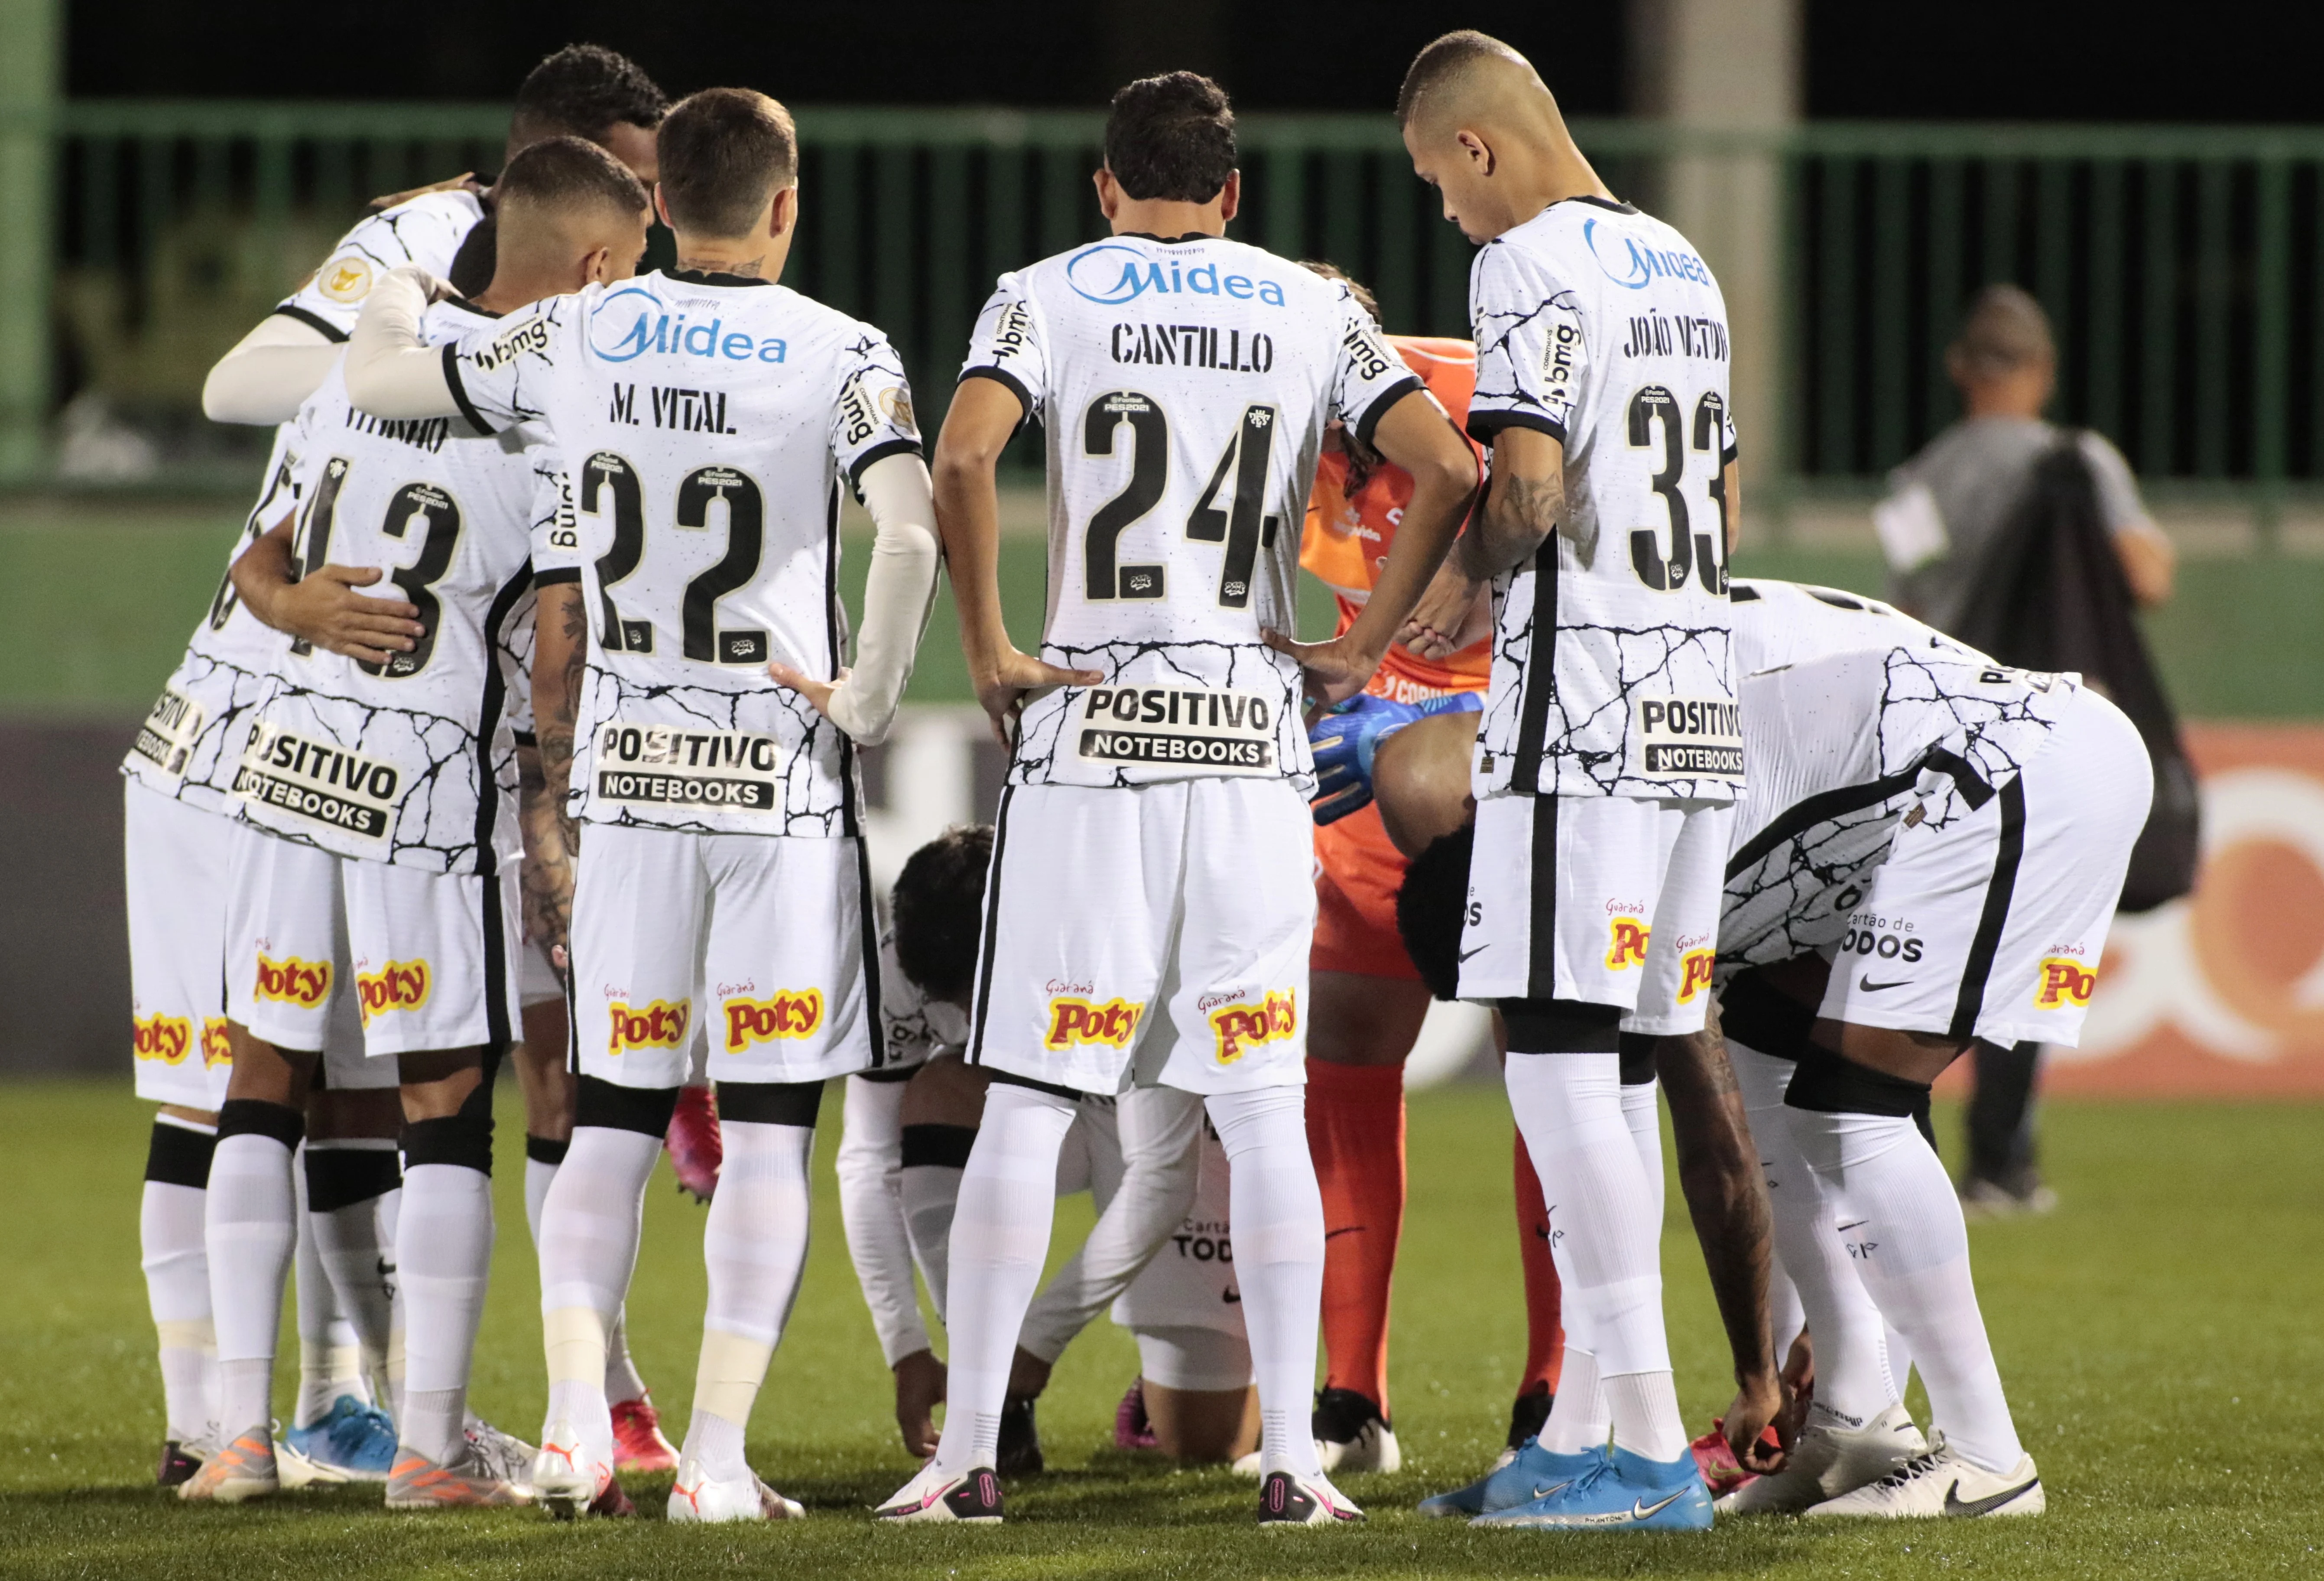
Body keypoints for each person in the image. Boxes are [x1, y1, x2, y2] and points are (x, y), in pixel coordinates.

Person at [872, 69, 1477, 1529]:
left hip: (1096, 737)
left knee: (1034, 1091)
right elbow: (1448, 464)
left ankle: (964, 1459)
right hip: (1248, 738)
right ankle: (1300, 1465)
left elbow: (961, 452)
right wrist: (1357, 642)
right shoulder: (1306, 305)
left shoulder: (1047, 290)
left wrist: (991, 646)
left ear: (1105, 187)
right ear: (1233, 192)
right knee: (1262, 1102)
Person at [344, 86, 941, 1523]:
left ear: (658, 201)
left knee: (608, 1115)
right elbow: (912, 527)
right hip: (770, 792)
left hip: (622, 785)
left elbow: (377, 378)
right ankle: (719, 1460)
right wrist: (864, 697)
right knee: (770, 1126)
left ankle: (570, 1429)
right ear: (786, 206)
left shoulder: (577, 328)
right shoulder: (844, 350)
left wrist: (393, 271)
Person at [179, 137, 654, 1509]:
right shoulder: (557, 404)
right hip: (422, 793)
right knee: (444, 1104)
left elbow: (257, 560)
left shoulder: (351, 367)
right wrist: (556, 819)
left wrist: (295, 611)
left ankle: (236, 1439)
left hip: (287, 774)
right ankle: (432, 1451)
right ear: (595, 267)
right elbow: (561, 630)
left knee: (260, 1079)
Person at [1393, 30, 1745, 1531]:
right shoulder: (1681, 261)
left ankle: (1649, 1452)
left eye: (1438, 184)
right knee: (1613, 1060)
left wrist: (1454, 590)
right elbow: (1716, 483)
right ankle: (1584, 1432)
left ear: (1478, 150)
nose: (1448, 220)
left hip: (1582, 705)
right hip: (1692, 701)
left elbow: (1526, 488)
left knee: (1547, 1048)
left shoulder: (1524, 261)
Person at [1872, 282, 2176, 1218]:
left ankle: (1899, 1146)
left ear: (1961, 369)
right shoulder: (2082, 461)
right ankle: (2004, 1165)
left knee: (1923, 939)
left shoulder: (1914, 481)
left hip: (1955, 732)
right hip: (2065, 732)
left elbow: (1908, 614)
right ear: (2042, 370)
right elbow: (2148, 578)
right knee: (2030, 935)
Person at [1289, 263, 1498, 1476]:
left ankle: (1552, 1389)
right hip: (1367, 741)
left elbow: (1576, 481)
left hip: (1500, 739)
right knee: (1351, 1040)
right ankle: (1349, 1393)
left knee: (1554, 1050)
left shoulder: (1465, 384)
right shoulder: (1276, 436)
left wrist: (1473, 576)